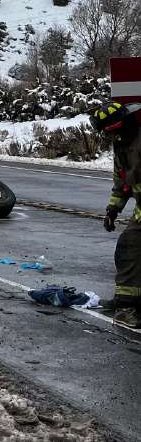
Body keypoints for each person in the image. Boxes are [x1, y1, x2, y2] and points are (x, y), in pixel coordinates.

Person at [89, 101, 141, 328]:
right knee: (129, 248)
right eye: (109, 132)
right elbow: (122, 183)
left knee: (130, 246)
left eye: (114, 130)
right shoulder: (122, 144)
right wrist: (113, 209)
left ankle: (126, 308)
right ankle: (127, 300)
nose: (113, 135)